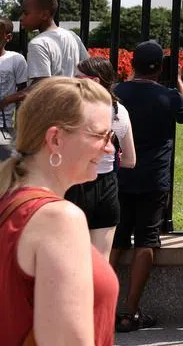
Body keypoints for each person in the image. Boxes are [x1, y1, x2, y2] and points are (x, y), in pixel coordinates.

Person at [0, 77, 119, 345]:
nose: (110, 147)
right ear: (55, 139)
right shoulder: (59, 219)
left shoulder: (9, 200)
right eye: (101, 135)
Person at [113, 39, 183, 332]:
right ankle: (130, 311)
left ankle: (100, 305)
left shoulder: (117, 92)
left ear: (131, 64)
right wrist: (178, 81)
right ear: (160, 69)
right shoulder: (166, 95)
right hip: (154, 178)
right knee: (147, 240)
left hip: (120, 173)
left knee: (115, 240)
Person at [65, 56, 136, 259]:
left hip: (78, 185)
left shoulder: (76, 110)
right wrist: (113, 156)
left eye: (78, 77)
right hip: (108, 187)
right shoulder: (120, 111)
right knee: (101, 262)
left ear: (95, 81)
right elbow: (131, 160)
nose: (74, 81)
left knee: (73, 258)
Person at [21, 0, 88, 84]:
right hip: (74, 96)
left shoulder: (38, 43)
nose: (21, 17)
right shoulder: (73, 36)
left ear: (44, 15)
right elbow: (88, 67)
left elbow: (40, 85)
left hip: (52, 98)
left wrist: (6, 99)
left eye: (26, 13)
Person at [0, 17, 28, 160]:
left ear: (8, 37)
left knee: (3, 168)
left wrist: (20, 127)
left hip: (3, 127)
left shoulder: (16, 60)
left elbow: (23, 93)